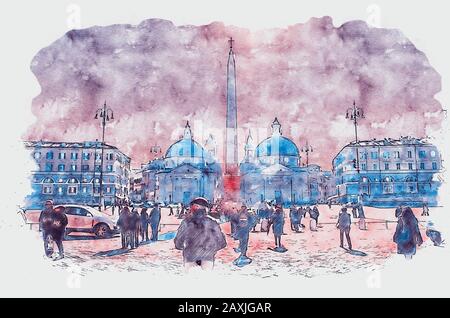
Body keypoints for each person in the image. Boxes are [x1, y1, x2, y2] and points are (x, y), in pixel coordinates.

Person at [174, 197, 227, 271]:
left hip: (190, 256)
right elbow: (222, 242)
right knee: (206, 278)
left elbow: (178, 242)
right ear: (206, 209)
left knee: (189, 279)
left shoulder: (186, 223)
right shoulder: (212, 223)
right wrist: (211, 250)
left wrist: (182, 247)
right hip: (207, 257)